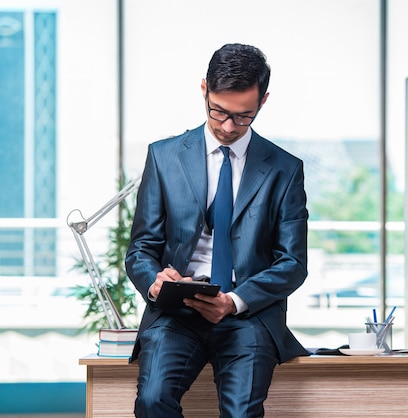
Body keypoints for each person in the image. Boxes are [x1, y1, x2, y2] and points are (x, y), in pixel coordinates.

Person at [125, 43, 309, 418]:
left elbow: (292, 263)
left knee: (242, 412)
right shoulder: (164, 157)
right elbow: (141, 249)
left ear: (263, 101)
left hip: (247, 315)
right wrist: (155, 281)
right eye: (219, 112)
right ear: (204, 88)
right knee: (151, 400)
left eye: (243, 117)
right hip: (176, 315)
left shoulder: (284, 170)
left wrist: (234, 301)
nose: (228, 127)